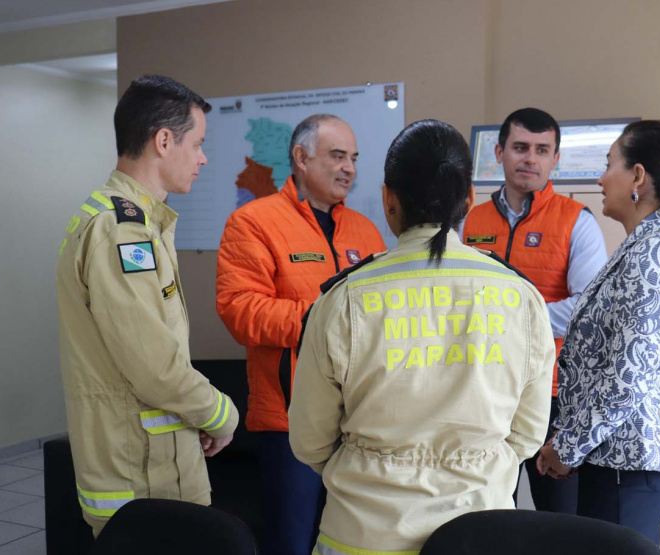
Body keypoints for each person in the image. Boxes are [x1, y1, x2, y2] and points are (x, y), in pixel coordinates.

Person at [289, 119, 555, 554]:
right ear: (468, 199)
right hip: (480, 533)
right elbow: (526, 435)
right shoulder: (521, 297)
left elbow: (309, 442)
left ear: (388, 199)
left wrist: (371, 468)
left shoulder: (344, 299)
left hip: (363, 535)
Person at [56, 75, 238, 536]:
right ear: (162, 141)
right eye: (197, 143)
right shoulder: (121, 230)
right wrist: (221, 413)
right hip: (140, 478)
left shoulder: (139, 223)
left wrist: (192, 414)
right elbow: (153, 365)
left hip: (155, 464)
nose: (203, 157)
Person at [536, 120, 660, 545]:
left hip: (629, 468)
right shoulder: (644, 245)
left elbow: (625, 378)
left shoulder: (653, 253)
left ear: (637, 176)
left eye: (608, 165)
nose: (600, 178)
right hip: (620, 462)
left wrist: (566, 447)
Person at [216, 114, 386, 554]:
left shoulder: (365, 231)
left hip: (359, 424)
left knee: (352, 541)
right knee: (292, 544)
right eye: (337, 156)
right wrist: (323, 319)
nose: (348, 167)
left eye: (353, 158)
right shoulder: (253, 222)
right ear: (300, 157)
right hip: (288, 424)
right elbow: (240, 311)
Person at [463, 108, 607, 513]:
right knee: (489, 509)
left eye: (542, 150)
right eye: (520, 147)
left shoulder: (576, 221)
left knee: (557, 519)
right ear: (499, 152)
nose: (530, 159)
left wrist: (515, 320)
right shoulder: (472, 220)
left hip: (552, 394)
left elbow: (588, 307)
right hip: (485, 389)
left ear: (555, 159)